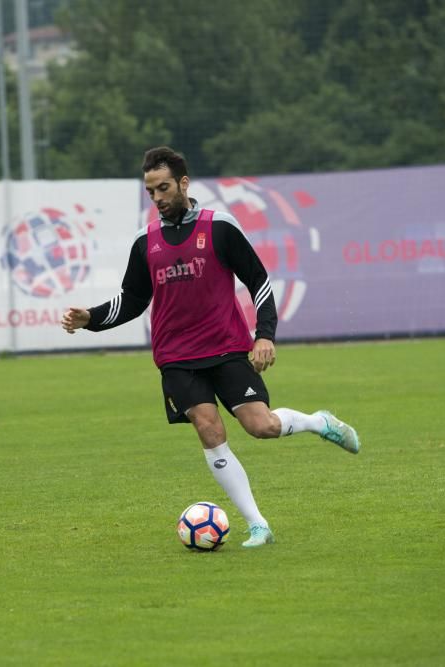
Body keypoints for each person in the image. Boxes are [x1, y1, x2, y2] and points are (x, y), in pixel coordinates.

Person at [61, 146, 361, 548]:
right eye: (150, 192)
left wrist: (265, 334)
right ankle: (258, 525)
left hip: (226, 348)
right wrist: (91, 319)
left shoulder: (219, 227)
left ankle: (317, 422)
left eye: (163, 188)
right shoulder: (144, 242)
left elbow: (259, 280)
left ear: (183, 183)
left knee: (262, 426)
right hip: (177, 359)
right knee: (209, 427)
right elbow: (132, 300)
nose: (158, 198)